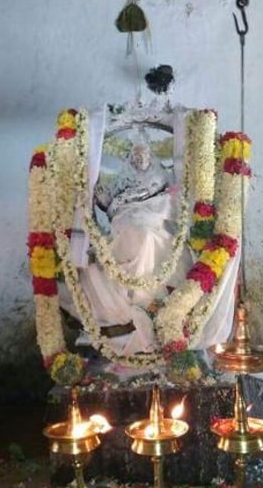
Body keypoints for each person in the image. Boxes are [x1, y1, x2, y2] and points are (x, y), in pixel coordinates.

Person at [63, 138, 189, 356]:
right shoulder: (122, 182)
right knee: (131, 234)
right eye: (136, 156)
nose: (140, 159)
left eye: (143, 156)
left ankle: (144, 303)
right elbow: (107, 201)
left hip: (150, 224)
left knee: (145, 235)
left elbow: (168, 204)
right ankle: (133, 300)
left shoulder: (159, 179)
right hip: (125, 221)